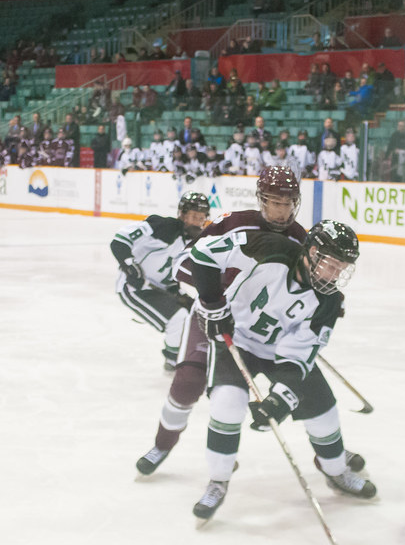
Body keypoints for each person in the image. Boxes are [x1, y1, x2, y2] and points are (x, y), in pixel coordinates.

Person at [135, 168, 362, 478]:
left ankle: (330, 451)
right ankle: (163, 444)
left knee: (302, 384)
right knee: (189, 383)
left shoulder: (301, 237)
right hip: (214, 315)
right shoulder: (232, 224)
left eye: (288, 203)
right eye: (273, 202)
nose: (281, 211)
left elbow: (314, 282)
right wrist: (219, 295)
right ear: (260, 200)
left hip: (266, 330)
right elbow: (185, 264)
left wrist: (326, 305)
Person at [189, 219, 376, 519]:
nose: (335, 274)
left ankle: (336, 471)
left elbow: (298, 354)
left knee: (324, 412)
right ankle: (218, 481)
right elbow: (203, 252)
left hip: (278, 352)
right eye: (331, 264)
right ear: (312, 252)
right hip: (235, 338)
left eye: (342, 268)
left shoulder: (327, 302)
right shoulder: (269, 248)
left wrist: (280, 400)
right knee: (227, 405)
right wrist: (213, 304)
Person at [110, 193, 211, 371]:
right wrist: (129, 264)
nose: (198, 222)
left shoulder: (194, 242)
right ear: (182, 215)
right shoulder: (163, 227)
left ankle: (191, 354)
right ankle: (173, 360)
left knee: (198, 314)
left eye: (202, 218)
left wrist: (176, 291)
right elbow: (120, 240)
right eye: (194, 216)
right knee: (178, 319)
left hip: (160, 289)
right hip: (134, 288)